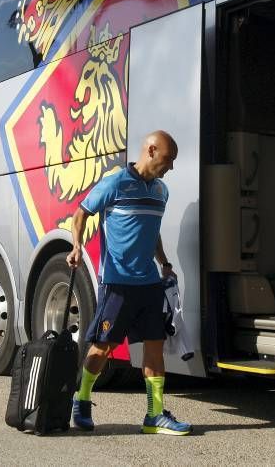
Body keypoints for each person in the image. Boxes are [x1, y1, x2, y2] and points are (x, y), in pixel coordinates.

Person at [66, 130, 192, 436]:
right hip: (117, 282)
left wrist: (163, 262)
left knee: (155, 347)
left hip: (149, 284)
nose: (171, 167)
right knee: (103, 347)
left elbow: (152, 230)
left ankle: (155, 414)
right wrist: (77, 245)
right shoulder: (115, 183)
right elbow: (81, 213)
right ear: (150, 150)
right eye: (167, 159)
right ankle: (80, 400)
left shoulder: (161, 191)